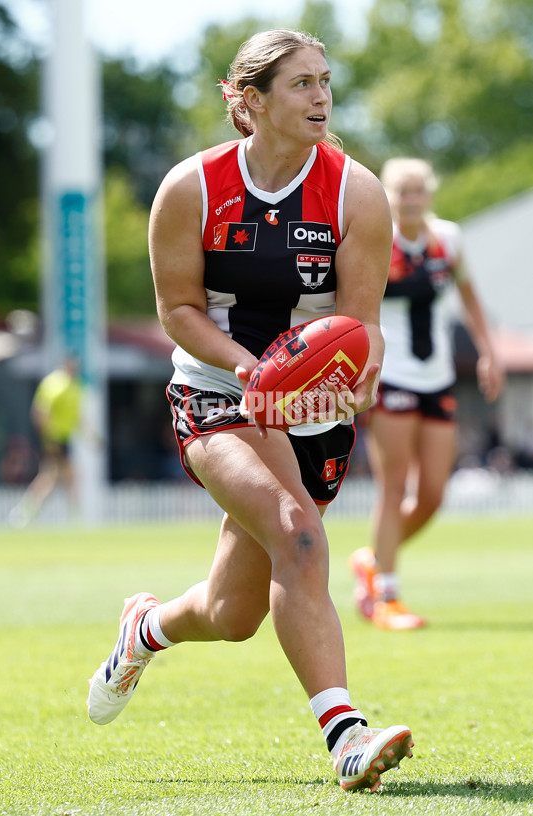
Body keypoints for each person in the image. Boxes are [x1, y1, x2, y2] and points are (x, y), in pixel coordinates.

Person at [87, 30, 414, 792]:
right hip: (216, 390)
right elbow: (177, 309)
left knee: (233, 614)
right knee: (299, 535)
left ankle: (145, 629)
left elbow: (362, 326)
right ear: (250, 101)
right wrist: (250, 371)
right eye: (301, 84)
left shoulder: (357, 192)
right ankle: (347, 737)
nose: (322, 97)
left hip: (312, 406)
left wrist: (357, 376)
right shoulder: (191, 187)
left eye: (325, 81)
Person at [349, 157, 504, 630]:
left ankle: (372, 561)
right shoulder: (377, 238)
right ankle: (386, 596)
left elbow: (470, 297)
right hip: (391, 376)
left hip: (437, 376)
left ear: (429, 194)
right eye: (403, 191)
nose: (411, 199)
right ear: (388, 196)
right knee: (393, 487)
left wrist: (488, 352)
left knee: (434, 494)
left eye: (419, 190)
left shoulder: (448, 239)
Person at [9, 356, 82, 527]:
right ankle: (72, 516)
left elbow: (76, 418)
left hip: (62, 438)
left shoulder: (73, 387)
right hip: (54, 438)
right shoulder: (55, 384)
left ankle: (28, 511)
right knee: (60, 477)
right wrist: (49, 439)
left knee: (56, 478)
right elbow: (40, 413)